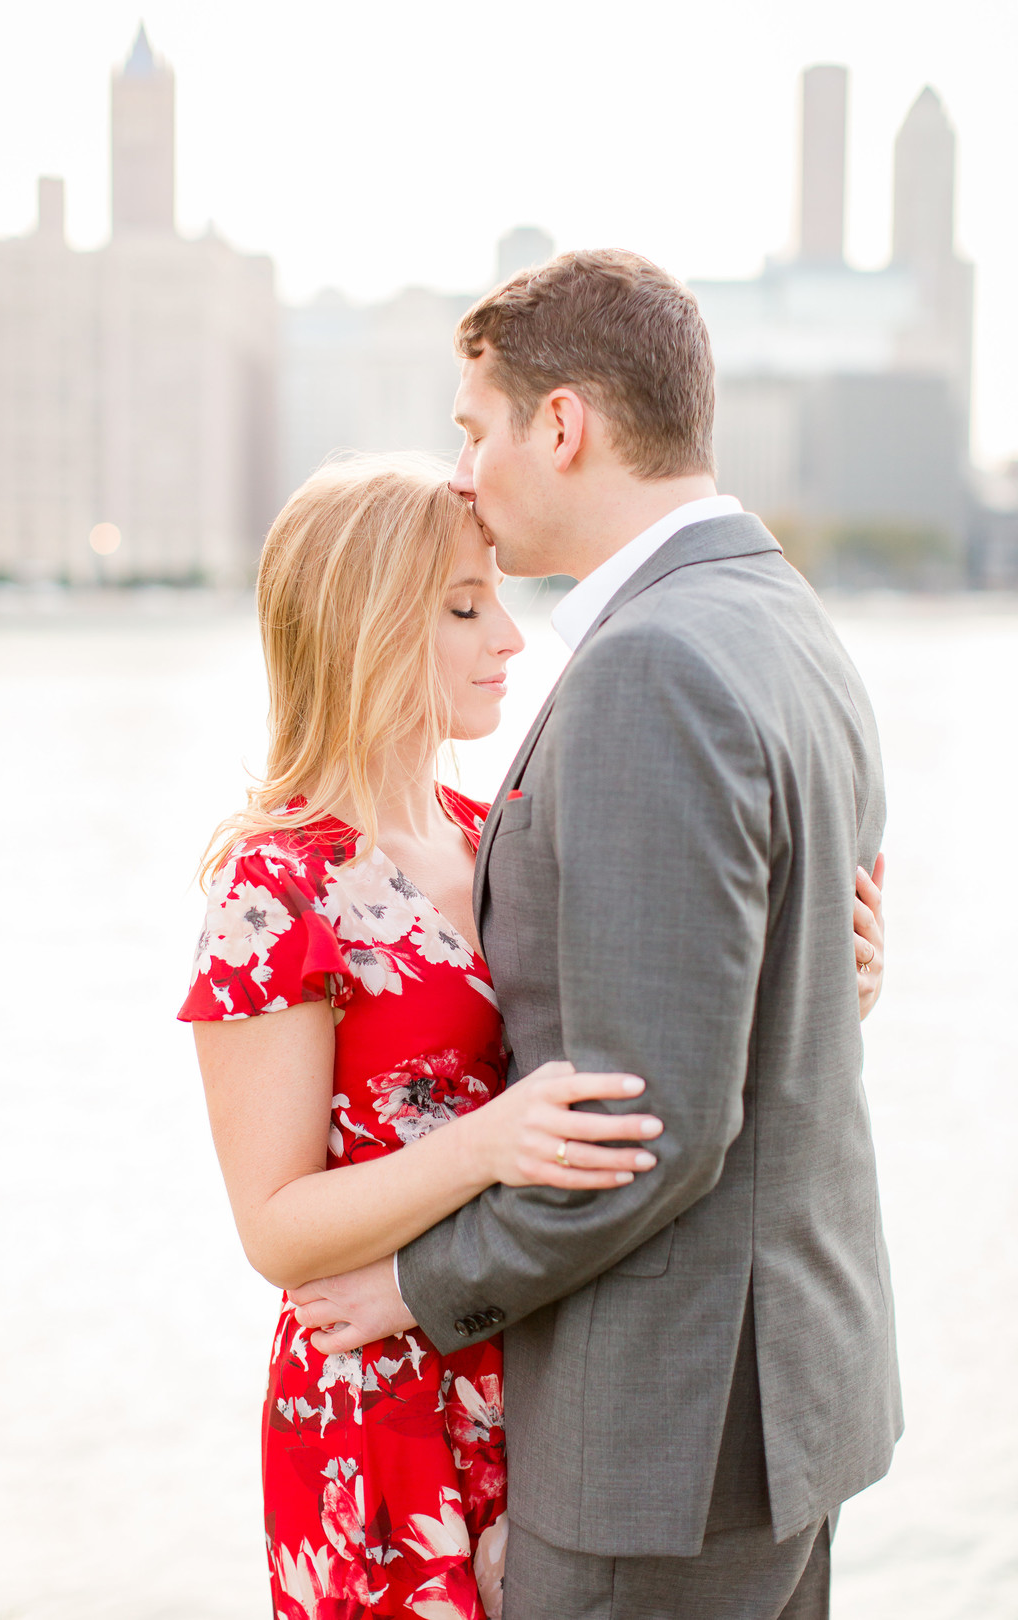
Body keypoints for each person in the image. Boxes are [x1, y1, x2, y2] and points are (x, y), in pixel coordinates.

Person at [286, 251, 898, 1620]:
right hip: (786, 1401)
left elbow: (646, 1126)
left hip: (659, 1435)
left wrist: (416, 1284)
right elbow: (756, 973)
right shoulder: (783, 616)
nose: (463, 473)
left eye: (473, 426)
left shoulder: (649, 669)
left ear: (558, 426)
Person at [180, 456, 681, 1620]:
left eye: (495, 597)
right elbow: (276, 1230)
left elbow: (637, 1049)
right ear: (366, 626)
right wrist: (486, 1145)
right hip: (377, 1417)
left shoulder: (494, 830)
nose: (508, 637)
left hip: (535, 1372)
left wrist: (828, 977)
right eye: (464, 607)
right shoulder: (277, 886)